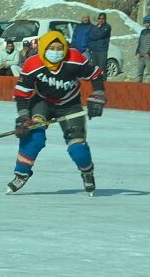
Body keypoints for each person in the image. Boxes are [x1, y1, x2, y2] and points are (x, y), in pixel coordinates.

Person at [9, 29, 106, 195]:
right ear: (43, 48)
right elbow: (21, 94)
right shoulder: (33, 64)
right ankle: (22, 173)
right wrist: (23, 116)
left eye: (59, 48)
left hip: (70, 105)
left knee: (78, 148)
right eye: (51, 48)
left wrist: (98, 94)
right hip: (42, 102)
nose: (56, 52)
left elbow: (96, 74)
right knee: (34, 138)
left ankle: (87, 172)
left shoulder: (74, 59)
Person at [134, 16, 150, 83]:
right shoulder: (142, 31)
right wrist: (137, 52)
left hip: (148, 56)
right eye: (145, 23)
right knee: (139, 73)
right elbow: (140, 42)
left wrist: (149, 53)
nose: (146, 24)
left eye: (148, 22)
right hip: (141, 55)